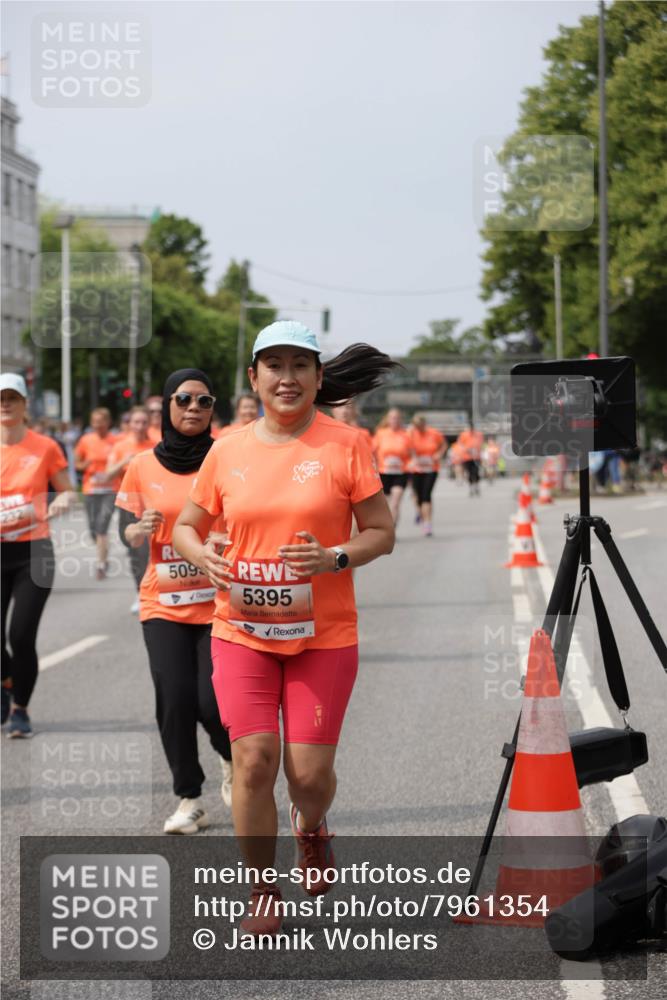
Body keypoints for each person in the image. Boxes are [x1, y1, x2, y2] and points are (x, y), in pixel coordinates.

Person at [173, 321, 396, 936]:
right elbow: (187, 526)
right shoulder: (227, 450)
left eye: (300, 365)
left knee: (308, 778)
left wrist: (335, 557)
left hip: (323, 636)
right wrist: (202, 555)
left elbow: (382, 533)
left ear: (319, 377)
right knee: (253, 761)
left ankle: (311, 827)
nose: (287, 377)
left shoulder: (346, 445)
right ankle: (262, 887)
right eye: (274, 365)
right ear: (254, 378)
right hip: (241, 631)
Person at [116, 369, 233, 833]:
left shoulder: (226, 459)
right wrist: (137, 529)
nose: (193, 408)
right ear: (166, 406)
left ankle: (230, 759)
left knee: (211, 703)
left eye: (204, 401)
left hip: (220, 603)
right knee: (175, 700)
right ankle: (189, 798)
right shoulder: (142, 465)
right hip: (162, 603)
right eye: (183, 399)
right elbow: (125, 532)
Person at [1, 373, 76, 737]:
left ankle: (20, 709)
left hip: (34, 551)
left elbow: (67, 490)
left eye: (12, 398)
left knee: (21, 634)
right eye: (0, 398)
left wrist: (59, 503)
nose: (5, 404)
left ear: (24, 404)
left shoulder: (44, 446)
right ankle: (5, 680)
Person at [107, 406, 154, 614]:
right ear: (130, 424)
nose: (140, 426)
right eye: (136, 422)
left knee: (152, 551)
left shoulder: (155, 445)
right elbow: (107, 474)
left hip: (151, 505)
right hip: (128, 505)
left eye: (144, 422)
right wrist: (124, 462)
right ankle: (140, 592)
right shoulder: (120, 446)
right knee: (135, 552)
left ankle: (153, 591)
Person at [75, 407, 119, 580]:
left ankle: (101, 564)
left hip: (110, 490)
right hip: (91, 489)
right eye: (94, 422)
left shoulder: (116, 441)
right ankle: (103, 549)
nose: (97, 425)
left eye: (101, 421)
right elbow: (77, 463)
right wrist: (85, 464)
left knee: (102, 526)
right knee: (93, 529)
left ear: (108, 422)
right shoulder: (86, 440)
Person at [372, 408, 413, 525]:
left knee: (395, 502)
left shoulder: (406, 435)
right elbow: (372, 452)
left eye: (397, 418)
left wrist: (412, 463)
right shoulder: (381, 433)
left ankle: (392, 529)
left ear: (400, 420)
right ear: (388, 419)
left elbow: (412, 454)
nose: (394, 420)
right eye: (392, 418)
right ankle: (387, 526)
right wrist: (373, 466)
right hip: (383, 472)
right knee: (385, 504)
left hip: (401, 472)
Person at [408, 414, 446, 537]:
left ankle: (427, 523)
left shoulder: (434, 433)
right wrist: (412, 457)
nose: (419, 428)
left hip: (431, 468)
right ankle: (420, 512)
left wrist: (439, 454)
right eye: (416, 426)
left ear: (424, 424)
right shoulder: (410, 434)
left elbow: (443, 445)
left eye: (421, 425)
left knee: (426, 495)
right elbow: (406, 448)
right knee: (417, 496)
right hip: (416, 469)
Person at [456, 423, 484, 497]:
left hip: (476, 457)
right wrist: (467, 449)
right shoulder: (464, 435)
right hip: (467, 457)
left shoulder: (479, 434)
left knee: (476, 471)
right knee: (469, 472)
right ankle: (471, 487)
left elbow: (481, 444)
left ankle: (476, 485)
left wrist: (478, 450)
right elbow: (460, 445)